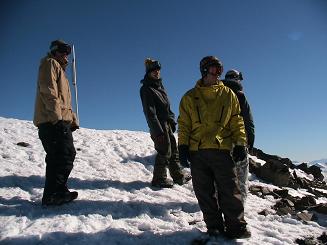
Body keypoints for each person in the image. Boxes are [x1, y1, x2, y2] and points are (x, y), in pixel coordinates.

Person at [178, 56, 251, 238]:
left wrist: (241, 143)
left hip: (222, 151)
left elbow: (237, 121)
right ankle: (214, 227)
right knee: (204, 193)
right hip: (198, 153)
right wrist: (183, 147)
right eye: (214, 70)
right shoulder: (189, 97)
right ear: (204, 70)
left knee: (230, 190)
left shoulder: (228, 94)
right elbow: (184, 125)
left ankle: (237, 228)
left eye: (219, 70)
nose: (217, 74)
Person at [34, 39, 79, 206]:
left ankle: (57, 192)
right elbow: (48, 91)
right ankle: (54, 193)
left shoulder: (61, 71)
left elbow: (65, 101)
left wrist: (72, 120)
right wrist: (57, 118)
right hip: (52, 121)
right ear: (54, 51)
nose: (66, 55)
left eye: (67, 52)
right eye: (62, 51)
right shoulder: (50, 63)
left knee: (60, 156)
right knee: (64, 155)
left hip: (57, 120)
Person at [140, 58, 191, 188]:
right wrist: (158, 131)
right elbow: (150, 112)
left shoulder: (160, 87)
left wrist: (172, 121)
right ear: (148, 72)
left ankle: (178, 176)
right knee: (164, 150)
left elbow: (167, 108)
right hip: (158, 124)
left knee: (174, 150)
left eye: (158, 70)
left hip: (166, 123)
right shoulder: (146, 89)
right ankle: (159, 179)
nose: (156, 73)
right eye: (153, 71)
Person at [224, 69, 255, 203]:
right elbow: (248, 120)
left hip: (219, 143)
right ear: (238, 79)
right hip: (238, 141)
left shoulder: (218, 93)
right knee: (241, 178)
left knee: (222, 175)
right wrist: (250, 140)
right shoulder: (240, 95)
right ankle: (239, 206)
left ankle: (220, 202)